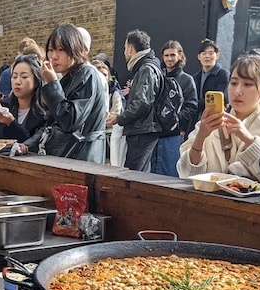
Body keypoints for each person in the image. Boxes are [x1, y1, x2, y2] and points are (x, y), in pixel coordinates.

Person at [177, 54, 260, 183]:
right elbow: (186, 175)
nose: (237, 91)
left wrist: (248, 140)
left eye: (248, 84)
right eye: (234, 83)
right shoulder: (207, 125)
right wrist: (201, 138)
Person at [20, 24, 107, 163]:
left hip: (83, 157)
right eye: (51, 50)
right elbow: (52, 122)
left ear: (76, 50)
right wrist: (28, 144)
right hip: (71, 156)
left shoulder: (87, 74)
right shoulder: (69, 76)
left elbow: (69, 121)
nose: (54, 56)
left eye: (61, 50)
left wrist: (52, 83)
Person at [113, 29, 163, 171]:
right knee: (140, 174)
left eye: (124, 48)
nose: (123, 53)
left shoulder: (146, 68)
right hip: (144, 129)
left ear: (130, 48)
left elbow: (142, 103)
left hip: (142, 131)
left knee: (133, 175)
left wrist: (119, 118)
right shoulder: (146, 67)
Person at [151, 40, 198, 176]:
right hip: (155, 135)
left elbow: (191, 106)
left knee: (170, 175)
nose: (169, 59)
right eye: (166, 55)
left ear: (180, 56)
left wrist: (175, 121)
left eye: (172, 55)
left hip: (173, 136)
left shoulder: (187, 80)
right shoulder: (157, 77)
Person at [192, 39, 230, 125]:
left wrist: (196, 104)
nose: (207, 56)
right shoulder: (195, 77)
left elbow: (217, 99)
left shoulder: (223, 75)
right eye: (204, 53)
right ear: (199, 57)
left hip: (216, 120)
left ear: (217, 55)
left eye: (211, 53)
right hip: (196, 121)